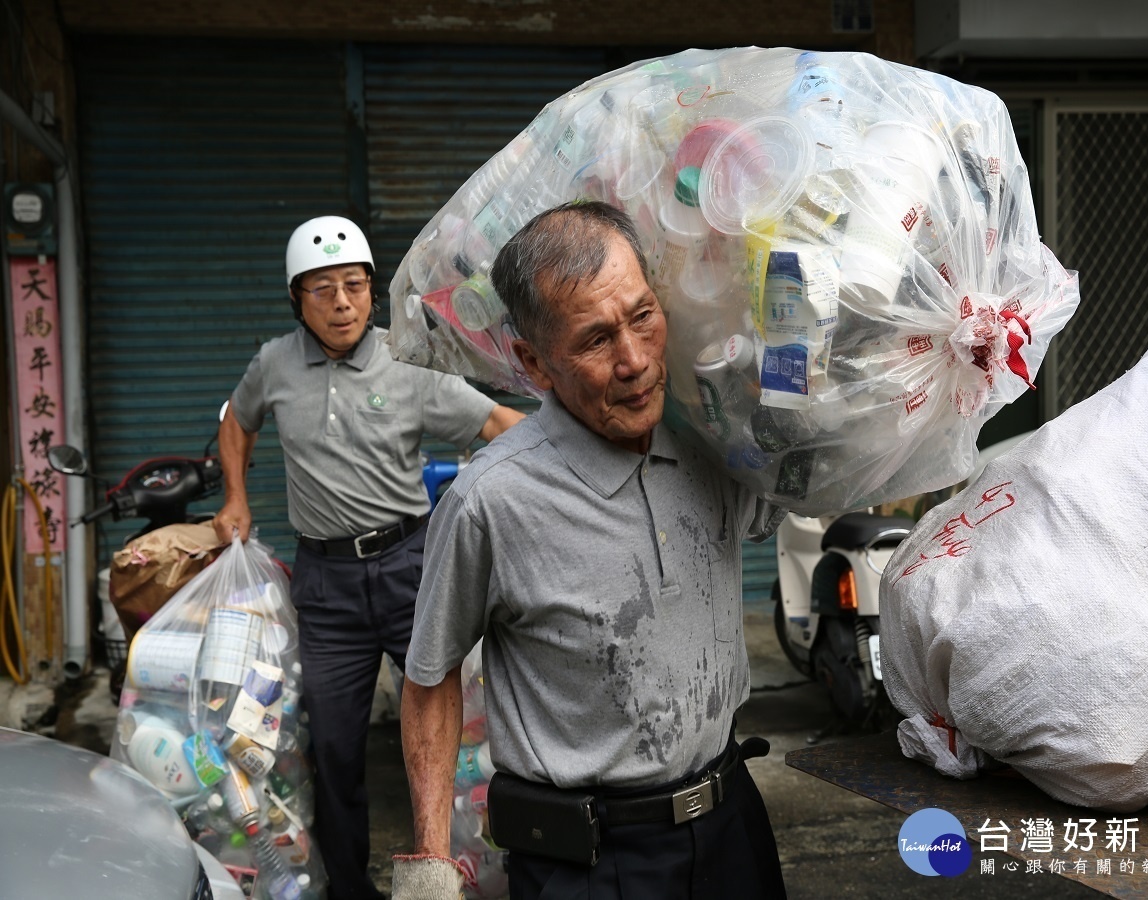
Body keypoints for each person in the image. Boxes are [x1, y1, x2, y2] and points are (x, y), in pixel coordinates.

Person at [394, 201, 786, 900]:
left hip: (732, 830)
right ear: (534, 364)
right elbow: (429, 678)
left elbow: (817, 473)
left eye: (643, 317)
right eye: (596, 340)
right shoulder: (490, 502)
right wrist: (429, 859)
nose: (635, 361)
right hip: (590, 865)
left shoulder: (711, 444)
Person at [213, 215, 524, 900]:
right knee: (332, 749)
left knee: (447, 742)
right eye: (322, 289)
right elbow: (235, 420)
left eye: (354, 285)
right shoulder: (274, 365)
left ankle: (446, 874)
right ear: (297, 299)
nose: (343, 302)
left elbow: (499, 423)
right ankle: (351, 890)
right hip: (325, 585)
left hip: (412, 569)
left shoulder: (406, 362)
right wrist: (236, 496)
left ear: (371, 291)